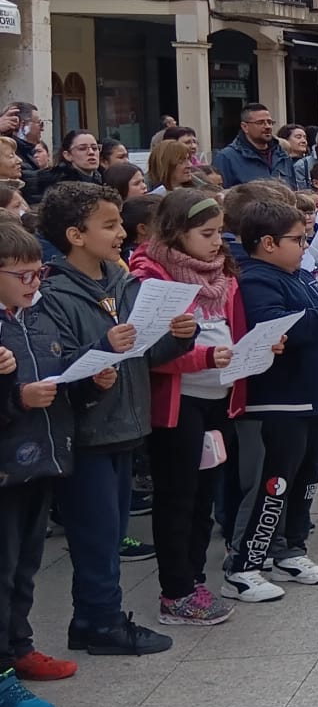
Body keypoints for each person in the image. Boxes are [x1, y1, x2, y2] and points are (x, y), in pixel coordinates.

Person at [40, 182, 199, 652]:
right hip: (86, 432)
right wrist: (99, 358)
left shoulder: (122, 282)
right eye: (108, 226)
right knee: (96, 535)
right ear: (75, 234)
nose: (120, 234)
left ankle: (94, 618)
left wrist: (179, 337)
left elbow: (142, 352)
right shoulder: (54, 293)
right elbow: (58, 362)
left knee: (109, 532)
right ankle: (100, 622)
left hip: (126, 425)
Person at [222, 197, 318, 595]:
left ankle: (289, 550)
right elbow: (274, 326)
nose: (305, 246)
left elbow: (312, 318)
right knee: (273, 483)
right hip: (277, 400)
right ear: (267, 243)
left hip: (312, 398)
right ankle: (244, 564)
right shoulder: (256, 279)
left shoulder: (298, 276)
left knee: (306, 478)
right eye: (298, 239)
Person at [130, 188, 248, 627]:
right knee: (178, 498)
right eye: (206, 233)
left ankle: (195, 580)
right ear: (177, 232)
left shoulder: (223, 271)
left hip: (219, 399)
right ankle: (175, 592)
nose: (217, 242)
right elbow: (150, 349)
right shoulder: (151, 275)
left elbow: (231, 326)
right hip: (179, 407)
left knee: (204, 498)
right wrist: (201, 357)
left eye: (219, 232)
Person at [0, 216, 76, 707]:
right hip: (5, 468)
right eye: (22, 274)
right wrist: (15, 396)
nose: (34, 283)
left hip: (39, 460)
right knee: (1, 571)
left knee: (25, 565)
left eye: (38, 273)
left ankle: (19, 646)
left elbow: (56, 362)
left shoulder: (33, 316)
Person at [214, 103, 290, 187]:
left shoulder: (282, 156)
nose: (268, 126)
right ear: (245, 127)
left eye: (269, 122)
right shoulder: (226, 158)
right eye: (260, 122)